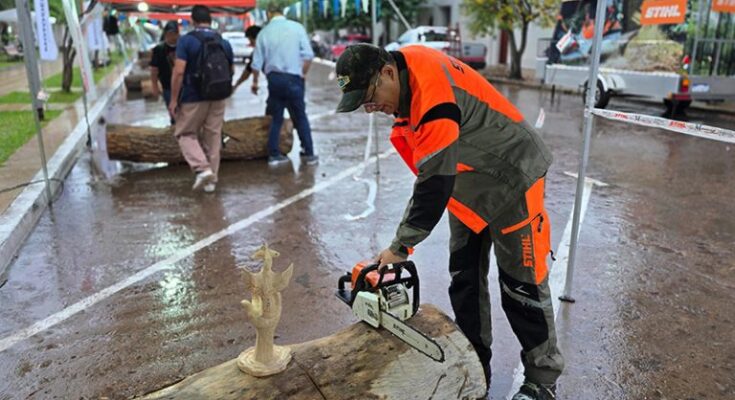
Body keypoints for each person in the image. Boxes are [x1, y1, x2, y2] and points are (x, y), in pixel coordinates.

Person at [334, 44, 564, 400]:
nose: (371, 108)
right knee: (464, 277)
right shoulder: (405, 83)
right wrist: (400, 245)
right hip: (469, 182)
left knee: (521, 287)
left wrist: (400, 247)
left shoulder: (431, 92)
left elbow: (434, 182)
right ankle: (476, 362)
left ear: (388, 73)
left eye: (370, 97)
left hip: (513, 175)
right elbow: (433, 174)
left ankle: (542, 380)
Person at [169, 5, 234, 193]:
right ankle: (211, 181)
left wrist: (174, 99)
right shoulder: (223, 42)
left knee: (185, 133)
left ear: (193, 20)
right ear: (210, 20)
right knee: (213, 136)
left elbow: (179, 72)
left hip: (193, 96)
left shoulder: (186, 41)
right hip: (219, 95)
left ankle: (202, 169)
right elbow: (230, 70)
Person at [251, 3, 318, 166]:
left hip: (274, 79)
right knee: (300, 116)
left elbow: (256, 63)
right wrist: (302, 74)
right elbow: (309, 55)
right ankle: (309, 153)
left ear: (268, 14)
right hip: (294, 78)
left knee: (276, 118)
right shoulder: (297, 28)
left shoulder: (264, 33)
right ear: (282, 12)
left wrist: (255, 82)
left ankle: (274, 155)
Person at [150, 21, 179, 124]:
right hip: (167, 86)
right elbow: (154, 69)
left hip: (184, 85)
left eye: (174, 33)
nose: (172, 36)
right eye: (169, 34)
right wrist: (155, 86)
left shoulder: (183, 47)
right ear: (165, 34)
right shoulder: (159, 49)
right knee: (173, 111)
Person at [233, 25, 261, 91]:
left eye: (250, 40)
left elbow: (252, 67)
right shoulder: (258, 51)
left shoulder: (260, 50)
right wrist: (236, 85)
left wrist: (255, 82)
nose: (250, 43)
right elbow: (249, 69)